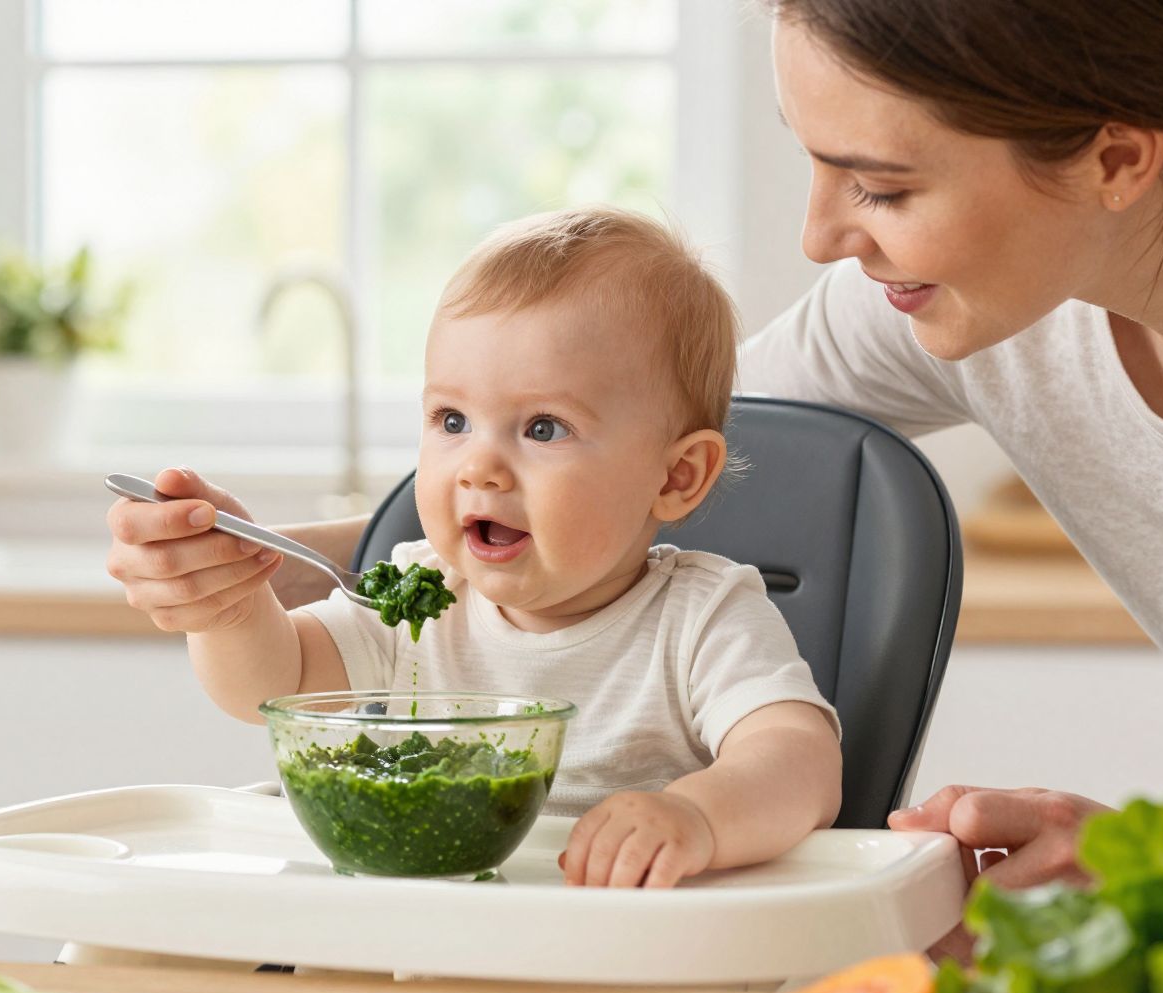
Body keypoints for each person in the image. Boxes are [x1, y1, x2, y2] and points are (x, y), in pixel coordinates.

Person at [109, 2, 1163, 932]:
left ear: (1117, 155)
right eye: (816, 168)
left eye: (880, 186)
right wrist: (256, 553)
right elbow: (605, 468)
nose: (825, 235)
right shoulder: (967, 293)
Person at [119, 208, 843, 889]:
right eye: (453, 418)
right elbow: (273, 685)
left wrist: (699, 817)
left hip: (616, 955)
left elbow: (800, 761)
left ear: (677, 475)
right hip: (422, 939)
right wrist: (231, 607)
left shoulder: (704, 619)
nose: (479, 467)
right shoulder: (420, 602)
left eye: (543, 429)